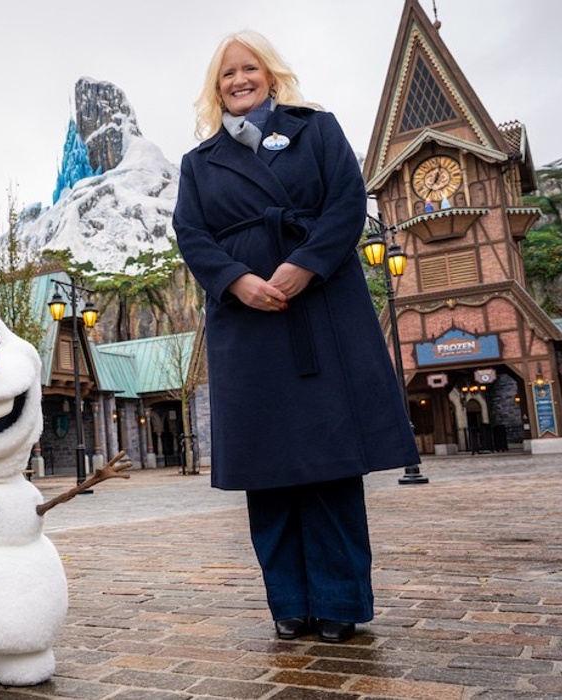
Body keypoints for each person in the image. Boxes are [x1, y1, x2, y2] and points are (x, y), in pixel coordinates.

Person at [172, 31, 420, 644]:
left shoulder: (317, 129)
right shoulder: (197, 163)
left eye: (247, 68)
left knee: (332, 465)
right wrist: (237, 281)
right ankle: (289, 603)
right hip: (247, 326)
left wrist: (304, 264)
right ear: (216, 87)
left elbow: (345, 205)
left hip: (322, 310)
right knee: (271, 470)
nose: (238, 80)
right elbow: (191, 234)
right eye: (226, 73)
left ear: (270, 74)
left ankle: (339, 603)